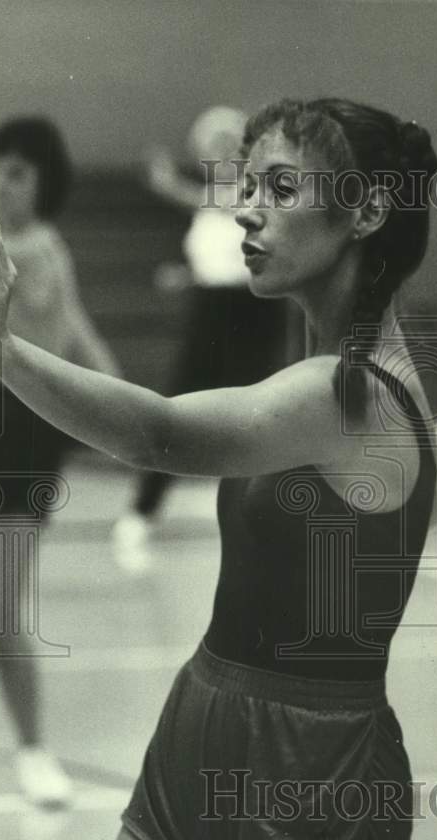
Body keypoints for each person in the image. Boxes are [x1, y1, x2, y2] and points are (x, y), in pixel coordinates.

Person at [0, 98, 437, 840]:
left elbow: (163, 438)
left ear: (367, 210)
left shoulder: (343, 392)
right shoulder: (340, 396)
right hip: (200, 731)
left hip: (318, 768)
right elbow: (333, 528)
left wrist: (2, 350)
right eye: (245, 185)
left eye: (279, 188)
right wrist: (428, 496)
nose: (243, 209)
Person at [0, 117, 121, 806]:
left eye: (19, 173)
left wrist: (118, 410)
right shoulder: (5, 247)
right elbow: (84, 331)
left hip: (25, 440)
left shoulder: (36, 249)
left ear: (45, 184)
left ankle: (34, 752)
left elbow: (64, 330)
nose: (2, 184)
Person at [112, 106, 289, 573]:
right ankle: (140, 514)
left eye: (226, 144)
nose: (218, 154)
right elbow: (215, 247)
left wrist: (169, 186)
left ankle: (267, 522)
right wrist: (186, 274)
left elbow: (238, 219)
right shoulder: (212, 199)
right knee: (176, 411)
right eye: (209, 147)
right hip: (212, 311)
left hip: (254, 312)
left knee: (261, 414)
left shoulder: (260, 190)